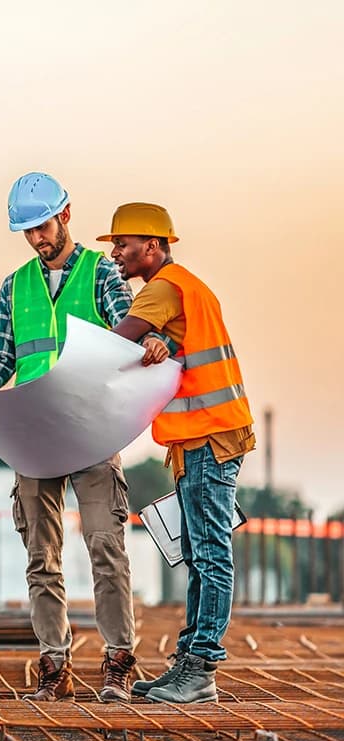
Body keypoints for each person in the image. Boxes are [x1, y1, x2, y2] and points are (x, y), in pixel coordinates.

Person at [0, 172, 157, 702]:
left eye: (42, 226)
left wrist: (152, 343)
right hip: (35, 436)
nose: (37, 239)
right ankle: (54, 663)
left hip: (92, 429)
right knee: (41, 556)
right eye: (27, 232)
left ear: (65, 215)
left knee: (107, 547)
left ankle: (118, 662)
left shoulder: (101, 274)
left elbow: (127, 334)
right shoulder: (15, 286)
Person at [102, 202, 254, 704]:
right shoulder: (187, 287)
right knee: (200, 553)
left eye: (122, 245)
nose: (116, 256)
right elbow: (164, 344)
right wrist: (159, 342)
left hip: (209, 437)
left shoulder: (164, 288)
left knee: (210, 553)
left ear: (152, 245)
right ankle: (189, 664)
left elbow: (115, 344)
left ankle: (202, 668)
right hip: (205, 438)